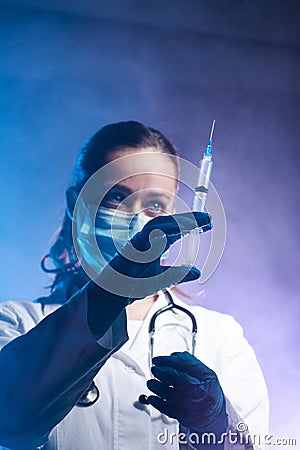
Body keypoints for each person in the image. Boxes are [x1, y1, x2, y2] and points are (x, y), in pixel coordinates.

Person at [0, 121, 269, 450]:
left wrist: (213, 424)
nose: (137, 219)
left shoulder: (221, 338)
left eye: (155, 205)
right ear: (76, 204)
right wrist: (109, 293)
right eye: (116, 197)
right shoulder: (14, 323)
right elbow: (9, 420)